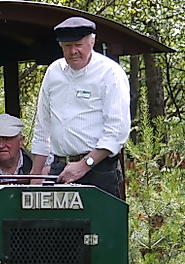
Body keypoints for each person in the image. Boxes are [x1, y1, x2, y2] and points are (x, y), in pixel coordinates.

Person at [30, 16, 131, 198]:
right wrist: (35, 175)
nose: (73, 51)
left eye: (78, 45)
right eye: (67, 46)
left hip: (99, 170)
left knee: (100, 218)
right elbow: (43, 126)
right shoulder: (54, 72)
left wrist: (84, 165)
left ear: (92, 42)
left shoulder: (110, 73)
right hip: (59, 169)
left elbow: (117, 130)